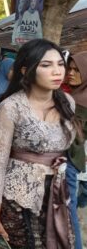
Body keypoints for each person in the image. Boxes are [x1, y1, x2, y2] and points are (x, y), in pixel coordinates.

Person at [0, 39, 80, 249]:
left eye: (59, 64)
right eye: (46, 65)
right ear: (26, 70)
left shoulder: (67, 102)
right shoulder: (10, 108)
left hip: (56, 194)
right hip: (17, 198)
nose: (57, 71)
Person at [66, 51, 87, 249]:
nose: (70, 73)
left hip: (68, 162)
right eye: (69, 68)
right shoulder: (72, 95)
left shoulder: (81, 102)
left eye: (76, 69)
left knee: (67, 211)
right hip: (67, 161)